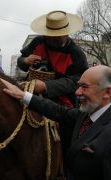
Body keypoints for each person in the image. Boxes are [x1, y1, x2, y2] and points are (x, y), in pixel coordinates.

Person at [0, 65, 111, 180]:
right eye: (78, 86)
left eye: (84, 87)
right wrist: (22, 95)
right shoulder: (85, 114)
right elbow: (58, 111)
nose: (77, 92)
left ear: (107, 92)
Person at [17, 10, 88, 160]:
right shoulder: (38, 42)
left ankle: (65, 167)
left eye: (58, 35)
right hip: (32, 91)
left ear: (67, 33)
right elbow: (21, 61)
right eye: (51, 35)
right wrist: (25, 60)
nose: (53, 39)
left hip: (62, 100)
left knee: (68, 132)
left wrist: (47, 87)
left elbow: (77, 80)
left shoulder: (76, 53)